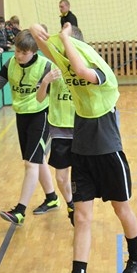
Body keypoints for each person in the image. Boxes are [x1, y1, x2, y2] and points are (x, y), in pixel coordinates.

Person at [30, 22, 137, 273]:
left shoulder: (102, 73)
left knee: (121, 209)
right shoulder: (67, 64)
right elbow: (48, 49)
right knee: (81, 217)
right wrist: (35, 32)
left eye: (68, 49)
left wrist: (66, 39)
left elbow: (81, 70)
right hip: (81, 150)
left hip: (108, 151)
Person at [0, 29, 59, 226]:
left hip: (41, 115)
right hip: (21, 115)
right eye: (17, 51)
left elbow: (52, 96)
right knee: (37, 159)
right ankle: (52, 198)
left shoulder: (45, 66)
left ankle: (20, 211)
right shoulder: (11, 63)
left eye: (23, 52)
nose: (19, 56)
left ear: (34, 51)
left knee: (30, 163)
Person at [36, 26, 85, 226]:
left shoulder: (85, 67)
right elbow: (39, 99)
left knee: (82, 177)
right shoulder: (52, 67)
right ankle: (71, 205)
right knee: (61, 178)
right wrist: (45, 82)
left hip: (82, 130)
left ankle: (82, 209)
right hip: (59, 130)